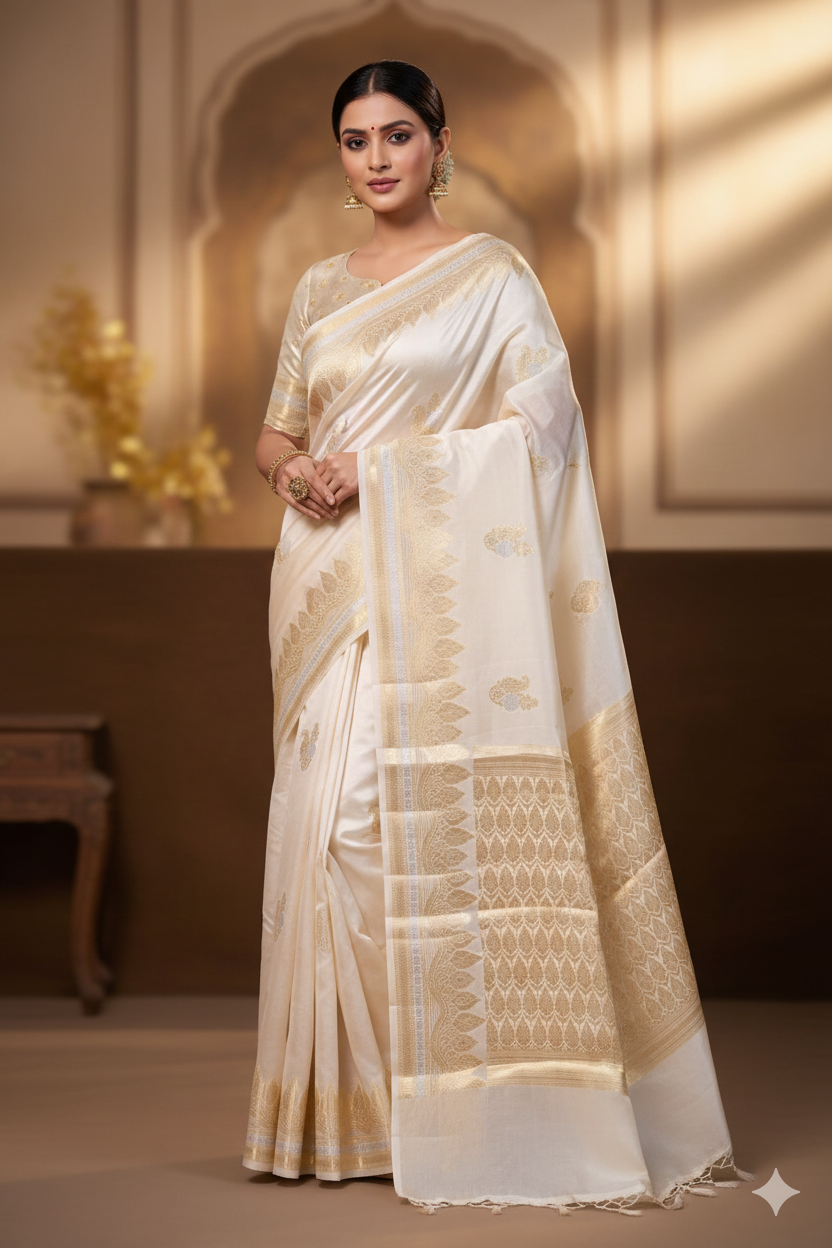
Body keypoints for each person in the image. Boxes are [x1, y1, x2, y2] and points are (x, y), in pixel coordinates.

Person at [243, 60, 750, 1215]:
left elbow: (542, 427)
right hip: (325, 584)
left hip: (435, 587)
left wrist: (375, 468)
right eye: (354, 140)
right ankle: (347, 1119)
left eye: (396, 136)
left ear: (440, 143)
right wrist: (300, 475)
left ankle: (456, 1108)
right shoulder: (321, 288)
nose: (375, 158)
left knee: (388, 827)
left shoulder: (493, 276)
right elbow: (273, 436)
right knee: (323, 845)